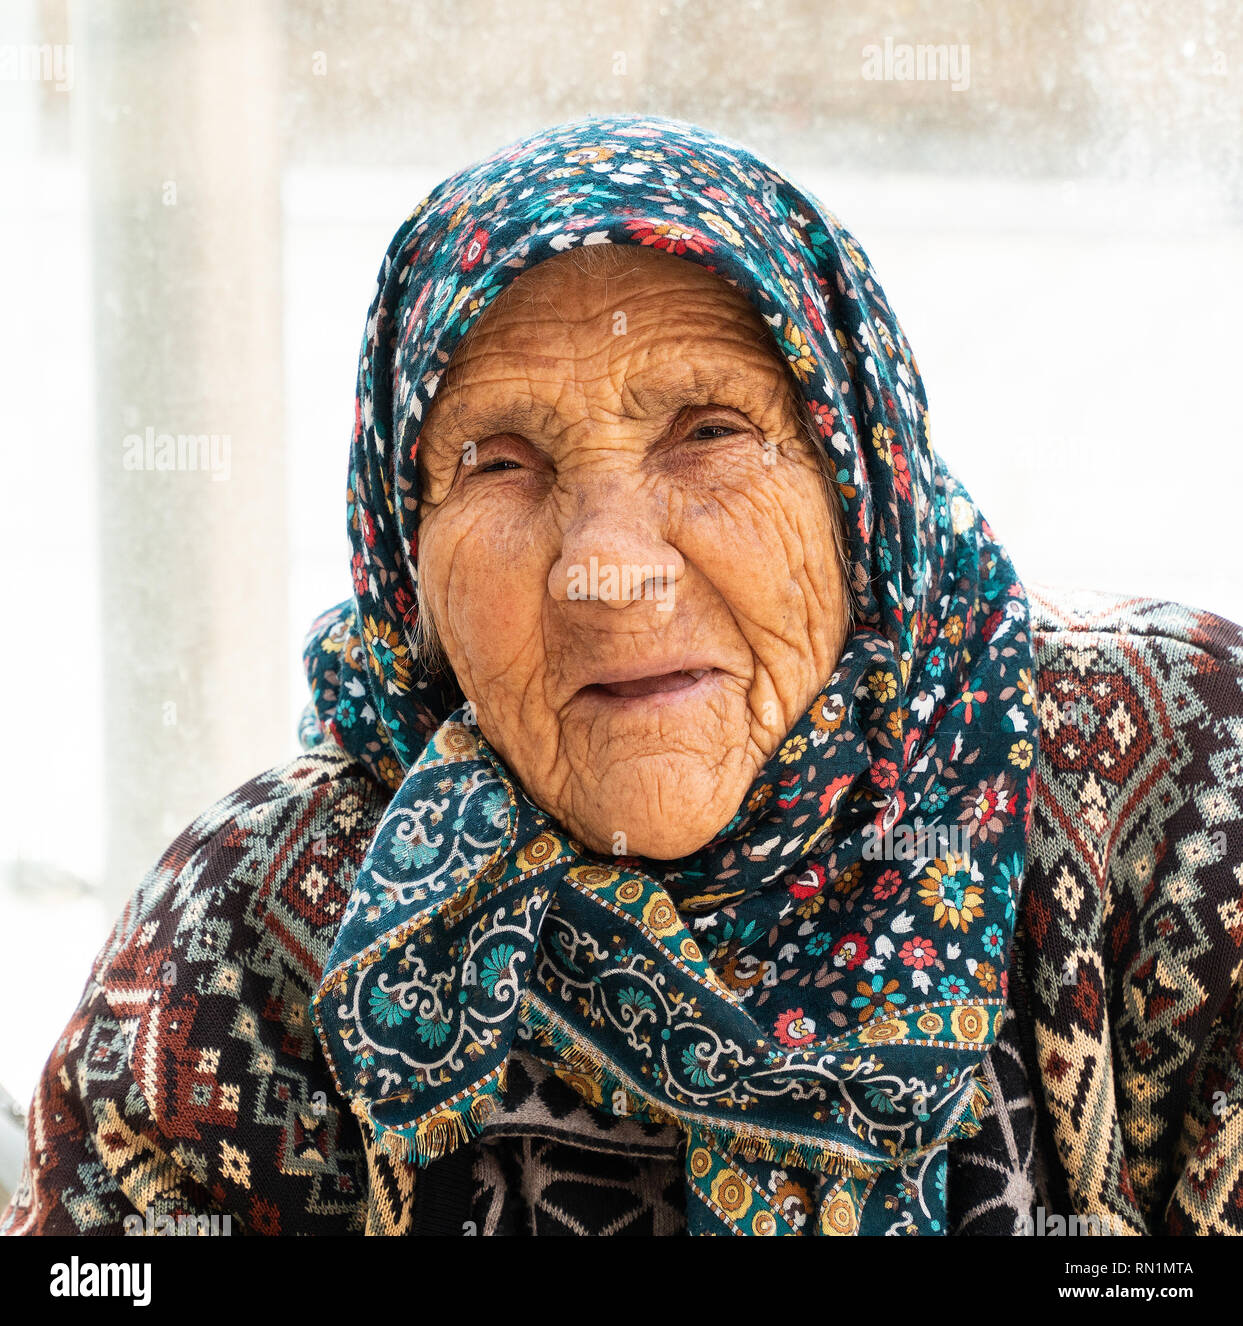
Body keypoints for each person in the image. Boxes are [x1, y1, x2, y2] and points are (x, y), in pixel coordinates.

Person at [5, 115, 1240, 1237]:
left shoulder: (1172, 784)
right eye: (498, 463)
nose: (605, 570)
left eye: (708, 432)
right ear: (404, 556)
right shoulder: (247, 940)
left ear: (864, 495)